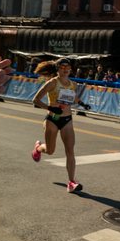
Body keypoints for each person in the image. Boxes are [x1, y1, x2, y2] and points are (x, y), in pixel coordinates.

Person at [30, 58, 92, 192]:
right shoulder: (52, 83)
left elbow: (72, 96)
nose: (65, 69)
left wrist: (82, 104)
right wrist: (51, 108)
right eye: (62, 67)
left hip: (67, 120)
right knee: (50, 150)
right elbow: (35, 100)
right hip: (52, 119)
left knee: (70, 150)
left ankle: (71, 182)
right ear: (57, 69)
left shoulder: (73, 84)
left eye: (68, 67)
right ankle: (38, 148)